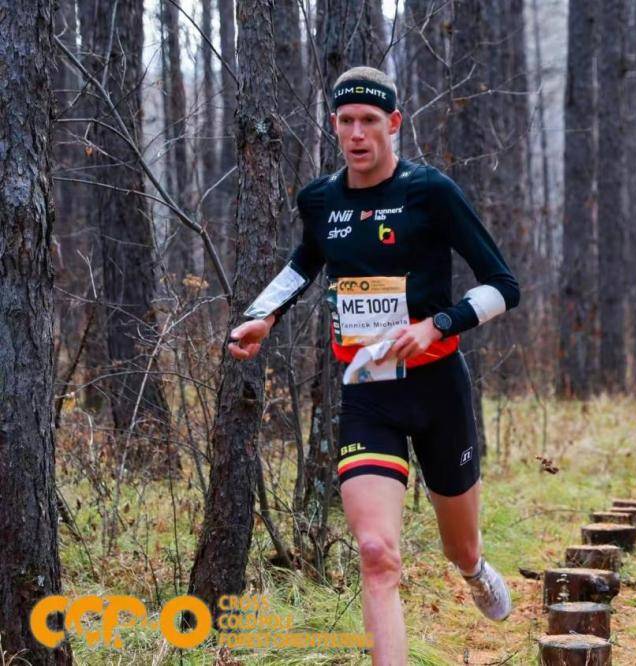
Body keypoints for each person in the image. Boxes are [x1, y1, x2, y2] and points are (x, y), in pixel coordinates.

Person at [226, 66, 520, 664]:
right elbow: (303, 264)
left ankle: (473, 569)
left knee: (458, 547)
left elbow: (504, 286)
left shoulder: (430, 192)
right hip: (367, 393)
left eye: (369, 121)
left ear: (393, 123)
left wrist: (436, 324)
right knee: (376, 552)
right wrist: (262, 315)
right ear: (334, 127)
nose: (358, 133)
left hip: (438, 387)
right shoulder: (320, 200)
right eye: (346, 121)